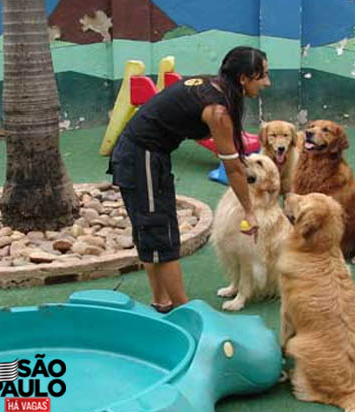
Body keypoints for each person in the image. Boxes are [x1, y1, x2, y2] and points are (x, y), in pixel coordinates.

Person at [107, 46, 271, 313]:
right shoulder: (218, 111)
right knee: (161, 235)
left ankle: (162, 302)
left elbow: (229, 152)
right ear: (243, 78)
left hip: (146, 154)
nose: (267, 82)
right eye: (262, 76)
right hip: (141, 156)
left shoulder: (213, 85)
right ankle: (185, 312)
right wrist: (250, 212)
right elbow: (233, 170)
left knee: (151, 230)